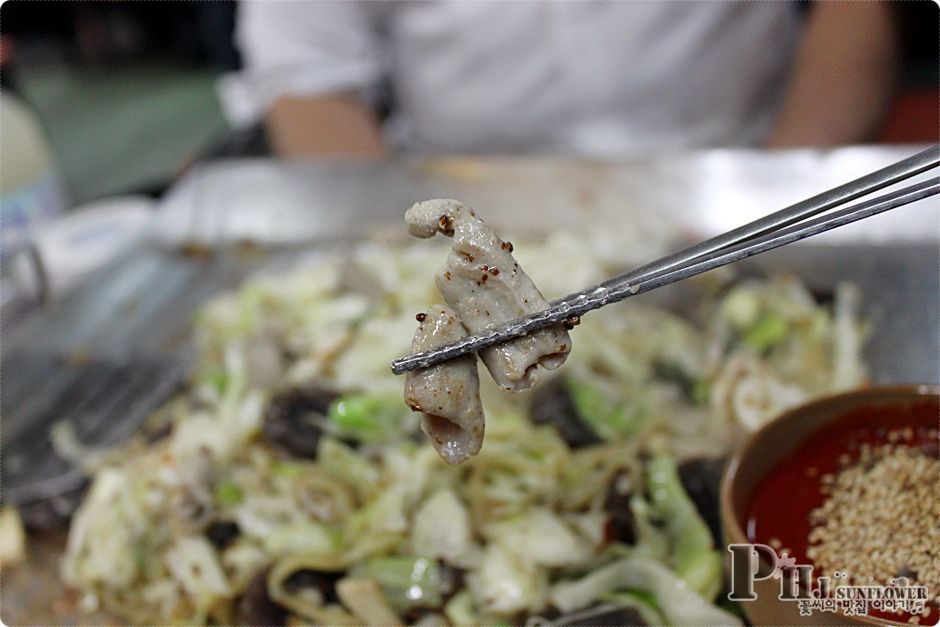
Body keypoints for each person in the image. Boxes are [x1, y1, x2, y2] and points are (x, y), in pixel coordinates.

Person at [221, 2, 899, 158]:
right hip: (463, 218)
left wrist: (779, 190)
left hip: (743, 163)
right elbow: (309, 76)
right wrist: (404, 275)